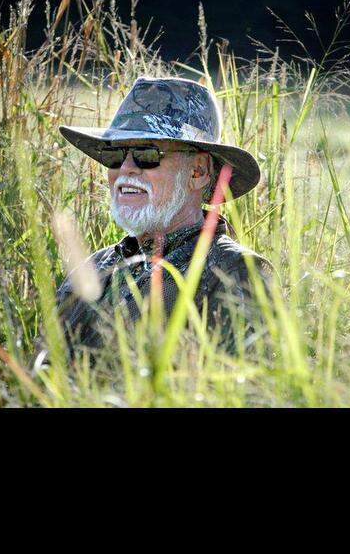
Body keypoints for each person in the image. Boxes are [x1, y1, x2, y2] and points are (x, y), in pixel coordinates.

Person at [51, 76, 268, 358]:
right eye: (115, 154)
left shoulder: (234, 272)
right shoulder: (92, 268)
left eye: (146, 153)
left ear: (198, 171)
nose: (126, 168)